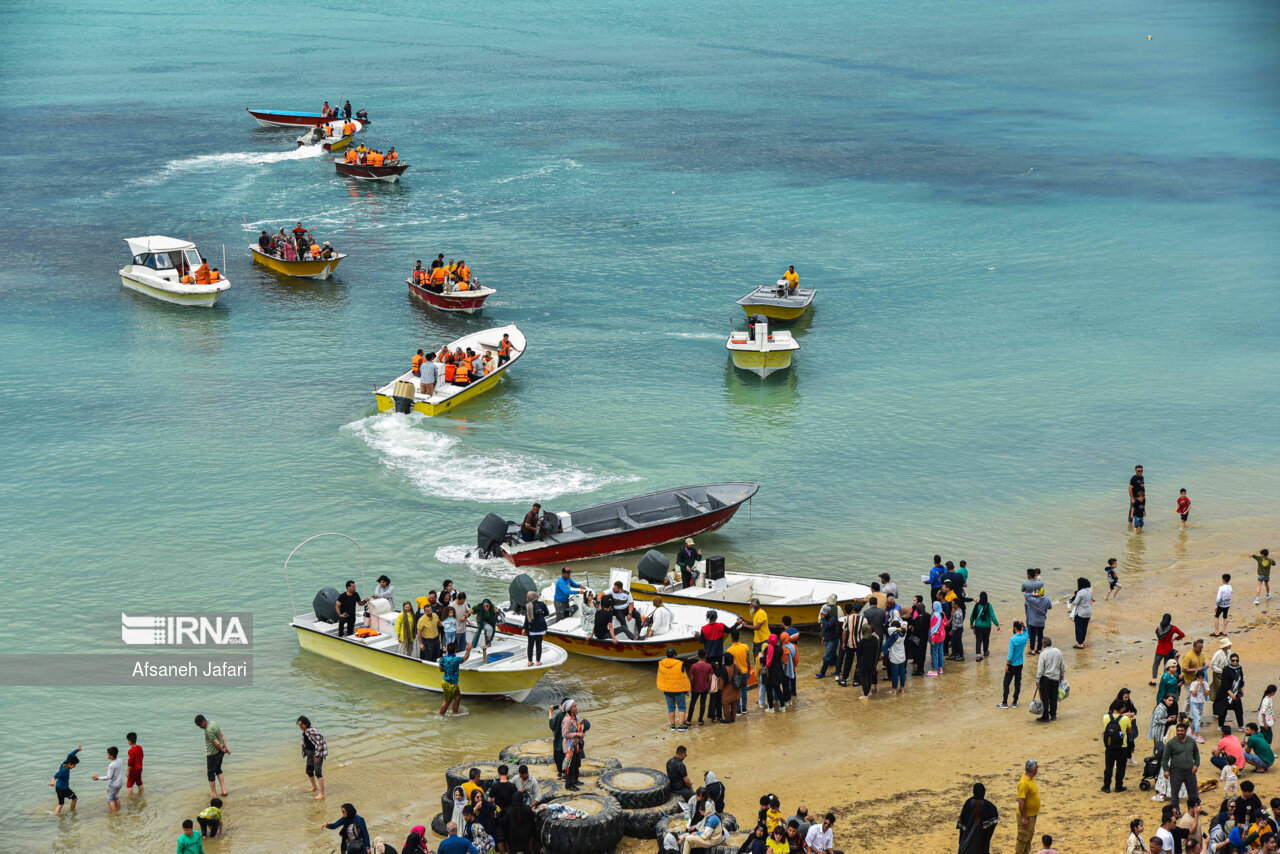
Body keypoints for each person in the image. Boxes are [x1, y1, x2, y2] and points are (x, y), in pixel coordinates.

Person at [1162, 719, 1200, 812]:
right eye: (1178, 731)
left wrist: (1196, 764)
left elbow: (1196, 753)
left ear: (1186, 731)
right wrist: (1166, 770)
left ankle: (1195, 809)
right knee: (1174, 795)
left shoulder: (1191, 741)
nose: (1179, 733)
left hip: (1190, 773)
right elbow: (1165, 758)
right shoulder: (1171, 743)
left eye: (1182, 731)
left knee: (1194, 794)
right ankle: (1176, 811)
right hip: (1176, 773)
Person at [955, 781, 999, 854]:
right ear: (984, 792)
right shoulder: (990, 807)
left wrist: (961, 842)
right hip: (981, 847)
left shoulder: (968, 803)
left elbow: (962, 827)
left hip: (965, 848)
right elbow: (992, 826)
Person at [195, 715, 229, 797]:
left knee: (210, 773)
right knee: (218, 769)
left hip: (213, 754)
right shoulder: (214, 723)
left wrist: (222, 749)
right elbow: (222, 734)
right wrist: (225, 748)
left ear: (203, 722)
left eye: (200, 725)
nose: (200, 727)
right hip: (221, 752)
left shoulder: (208, 730)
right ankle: (224, 791)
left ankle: (213, 793)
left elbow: (216, 743)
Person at [658, 647, 691, 731]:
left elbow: (660, 677)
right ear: (674, 655)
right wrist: (687, 689)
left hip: (667, 690)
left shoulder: (661, 663)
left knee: (671, 708)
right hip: (678, 690)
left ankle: (672, 726)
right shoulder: (680, 664)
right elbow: (684, 677)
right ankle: (681, 726)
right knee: (682, 707)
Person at [1103, 700, 1133, 792]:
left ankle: (1106, 786)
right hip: (1122, 747)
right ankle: (1118, 786)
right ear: (1121, 709)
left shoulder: (1105, 717)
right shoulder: (1125, 719)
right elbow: (1129, 731)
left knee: (1108, 767)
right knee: (1120, 768)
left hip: (1109, 746)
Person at [997, 621, 1028, 709]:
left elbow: (1010, 654)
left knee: (1006, 683)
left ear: (1014, 628)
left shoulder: (1013, 639)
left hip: (1012, 664)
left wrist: (1007, 664)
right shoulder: (1024, 637)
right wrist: (1024, 626)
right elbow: (1027, 632)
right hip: (1020, 664)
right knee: (1017, 683)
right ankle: (1014, 702)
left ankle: (1004, 702)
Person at [1034, 637, 1065, 722]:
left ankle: (1045, 716)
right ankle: (1053, 714)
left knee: (1045, 698)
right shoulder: (1058, 651)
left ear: (1044, 644)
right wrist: (1062, 674)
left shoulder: (1043, 654)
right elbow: (1062, 664)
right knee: (1053, 697)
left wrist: (1037, 680)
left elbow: (1040, 669)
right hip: (1055, 678)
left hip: (1045, 679)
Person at [298, 715, 327, 799]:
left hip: (317, 753)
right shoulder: (304, 732)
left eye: (301, 725)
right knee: (309, 770)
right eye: (299, 725)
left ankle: (322, 793)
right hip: (310, 753)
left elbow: (320, 742)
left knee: (318, 772)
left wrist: (318, 755)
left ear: (306, 724)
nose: (300, 727)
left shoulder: (313, 731)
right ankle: (314, 787)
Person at [1014, 760, 1040, 854]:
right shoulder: (1024, 783)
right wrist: (1024, 817)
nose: (1038, 768)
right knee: (1022, 840)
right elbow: (1021, 801)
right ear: (1033, 769)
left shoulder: (1030, 779)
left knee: (1028, 839)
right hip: (1026, 817)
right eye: (1037, 766)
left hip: (1032, 816)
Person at [439, 641, 471, 716]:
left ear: (447, 650)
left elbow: (441, 669)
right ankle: (440, 716)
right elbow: (465, 658)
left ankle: (455, 713)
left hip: (445, 682)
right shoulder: (456, 660)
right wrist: (468, 650)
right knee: (447, 702)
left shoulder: (442, 659)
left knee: (457, 697)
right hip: (451, 684)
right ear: (455, 651)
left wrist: (448, 669)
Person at [1152, 615, 1186, 684]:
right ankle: (1166, 679)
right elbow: (1182, 634)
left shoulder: (1158, 629)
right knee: (1167, 665)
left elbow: (1158, 635)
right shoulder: (1173, 628)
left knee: (1156, 664)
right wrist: (1175, 639)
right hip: (1169, 649)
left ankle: (1154, 680)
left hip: (1160, 648)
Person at [1216, 652, 1245, 731]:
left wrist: (1241, 689)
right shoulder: (1226, 669)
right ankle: (1221, 725)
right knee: (1223, 710)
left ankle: (1241, 725)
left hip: (1236, 692)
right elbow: (1224, 683)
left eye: (1236, 660)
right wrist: (1230, 693)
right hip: (1225, 693)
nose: (1235, 662)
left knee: (1239, 709)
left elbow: (1241, 680)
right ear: (1230, 660)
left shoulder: (1239, 668)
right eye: (1233, 660)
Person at [561, 700, 586, 790]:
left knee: (575, 764)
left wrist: (581, 723)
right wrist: (577, 734)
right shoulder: (567, 720)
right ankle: (569, 785)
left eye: (576, 706)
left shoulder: (576, 717)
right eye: (574, 706)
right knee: (569, 766)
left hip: (576, 745)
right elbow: (565, 734)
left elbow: (576, 726)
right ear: (570, 709)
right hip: (569, 746)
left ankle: (575, 780)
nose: (576, 708)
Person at [49, 745, 81, 814]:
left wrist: (77, 750)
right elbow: (55, 776)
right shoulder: (64, 771)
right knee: (75, 799)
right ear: (70, 764)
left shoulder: (65, 763)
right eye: (74, 765)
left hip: (58, 788)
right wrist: (52, 781)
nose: (74, 767)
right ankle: (73, 812)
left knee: (61, 804)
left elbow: (70, 755)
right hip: (64, 789)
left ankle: (56, 815)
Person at [89, 747, 122, 811]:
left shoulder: (111, 765)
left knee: (109, 798)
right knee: (115, 796)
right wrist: (109, 770)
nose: (107, 755)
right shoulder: (120, 760)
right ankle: (119, 809)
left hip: (113, 784)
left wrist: (98, 778)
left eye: (107, 754)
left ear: (111, 756)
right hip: (120, 783)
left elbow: (108, 777)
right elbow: (117, 769)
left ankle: (114, 813)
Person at [687, 649, 714, 725]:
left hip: (696, 688)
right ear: (705, 656)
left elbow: (692, 678)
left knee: (692, 703)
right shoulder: (709, 666)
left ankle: (689, 720)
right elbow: (710, 678)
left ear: (698, 655)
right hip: (705, 688)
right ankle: (700, 720)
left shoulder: (694, 666)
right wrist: (709, 686)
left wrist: (691, 687)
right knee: (703, 703)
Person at [727, 630, 751, 715]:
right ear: (739, 637)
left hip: (735, 674)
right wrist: (748, 671)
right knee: (744, 691)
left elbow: (729, 664)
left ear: (732, 638)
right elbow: (748, 661)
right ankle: (744, 708)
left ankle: (738, 710)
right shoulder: (745, 646)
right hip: (744, 672)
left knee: (736, 692)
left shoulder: (729, 650)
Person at [969, 592, 999, 661]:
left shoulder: (977, 605)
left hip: (978, 626)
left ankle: (978, 655)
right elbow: (992, 616)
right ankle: (985, 651)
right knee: (986, 639)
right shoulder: (989, 606)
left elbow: (972, 615)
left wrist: (971, 623)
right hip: (987, 626)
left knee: (978, 640)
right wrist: (997, 624)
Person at [814, 605, 840, 679]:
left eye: (825, 613)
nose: (823, 615)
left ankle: (822, 673)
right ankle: (839, 670)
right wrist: (824, 637)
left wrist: (823, 619)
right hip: (829, 639)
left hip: (832, 640)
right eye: (823, 613)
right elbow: (827, 630)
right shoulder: (826, 619)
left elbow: (826, 626)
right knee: (834, 656)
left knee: (826, 656)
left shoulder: (832, 619)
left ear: (829, 613)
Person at [524, 591, 549, 666]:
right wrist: (540, 616)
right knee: (539, 645)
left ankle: (530, 662)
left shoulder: (528, 606)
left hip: (531, 629)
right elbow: (547, 613)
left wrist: (524, 628)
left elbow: (527, 619)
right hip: (541, 629)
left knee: (530, 645)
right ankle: (538, 661)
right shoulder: (542, 604)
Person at [1024, 587, 1051, 655]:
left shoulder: (1033, 600)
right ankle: (1039, 649)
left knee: (1032, 635)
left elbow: (1025, 596)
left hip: (1033, 621)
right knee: (1040, 635)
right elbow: (1050, 607)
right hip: (1041, 620)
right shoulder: (1047, 599)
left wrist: (1032, 595)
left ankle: (1032, 650)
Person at [1069, 577, 1093, 648]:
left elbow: (1075, 602)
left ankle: (1080, 644)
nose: (1077, 584)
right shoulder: (1089, 590)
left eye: (1077, 583)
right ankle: (1082, 641)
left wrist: (1073, 597)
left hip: (1081, 612)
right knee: (1084, 627)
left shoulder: (1080, 592)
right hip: (1088, 611)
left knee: (1078, 627)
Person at [928, 601, 947, 677]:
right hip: (942, 635)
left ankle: (935, 670)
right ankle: (940, 668)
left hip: (936, 636)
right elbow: (945, 623)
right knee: (940, 652)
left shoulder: (935, 616)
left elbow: (933, 629)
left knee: (934, 653)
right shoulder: (943, 614)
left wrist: (932, 639)